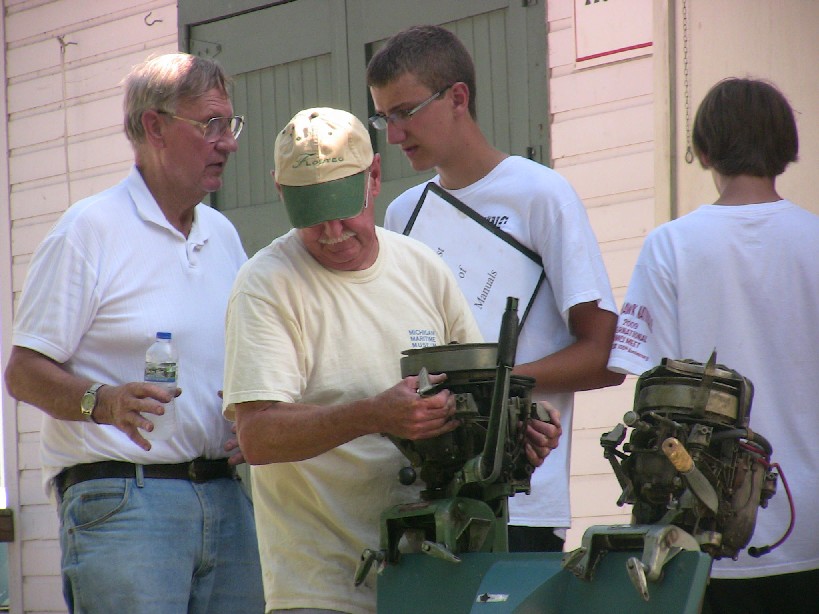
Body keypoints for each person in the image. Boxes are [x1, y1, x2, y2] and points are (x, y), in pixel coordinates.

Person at [222, 106, 562, 613]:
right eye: (312, 215)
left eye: (344, 208)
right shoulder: (265, 285)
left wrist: (521, 430)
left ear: (375, 177)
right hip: (324, 590)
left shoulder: (422, 268)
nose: (332, 231)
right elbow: (258, 435)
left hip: (438, 578)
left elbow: (480, 400)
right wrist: (373, 415)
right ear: (280, 191)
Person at [3, 53, 264, 613]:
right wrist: (103, 402)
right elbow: (23, 373)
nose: (228, 143)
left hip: (226, 497)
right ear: (155, 126)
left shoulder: (222, 234)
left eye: (230, 125)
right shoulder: (89, 230)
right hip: (126, 502)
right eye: (211, 124)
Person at [366, 24, 624, 553]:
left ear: (458, 98)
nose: (393, 135)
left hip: (520, 500)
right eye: (383, 117)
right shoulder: (401, 213)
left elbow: (605, 355)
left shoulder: (541, 195)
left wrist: (490, 390)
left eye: (405, 112)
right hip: (424, 500)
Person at [607, 78, 819, 614]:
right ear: (786, 149)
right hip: (811, 528)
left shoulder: (669, 246)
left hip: (699, 530)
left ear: (703, 151)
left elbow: (650, 388)